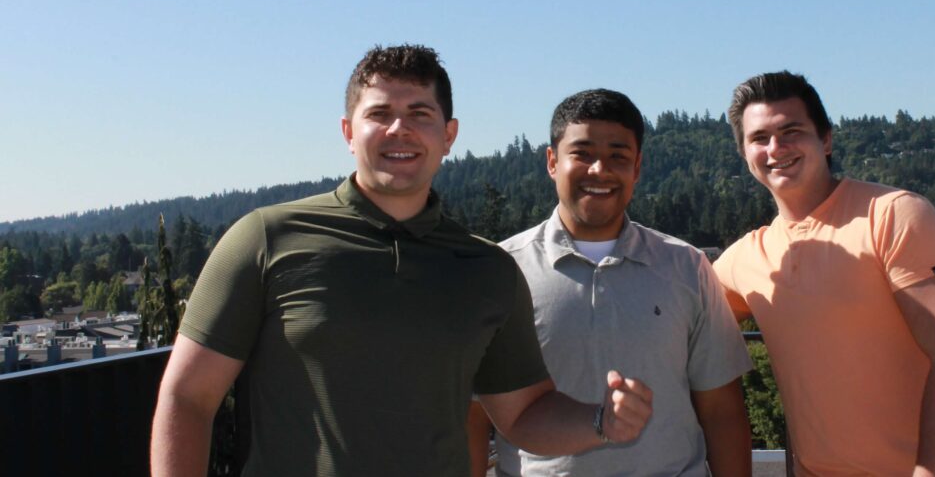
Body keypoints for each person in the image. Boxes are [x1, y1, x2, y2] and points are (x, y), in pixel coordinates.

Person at [151, 45, 653, 477]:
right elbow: (188, 398)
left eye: (419, 114)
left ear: (448, 135)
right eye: (379, 114)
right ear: (349, 131)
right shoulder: (265, 239)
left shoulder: (487, 270)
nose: (399, 129)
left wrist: (600, 423)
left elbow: (523, 413)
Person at [713, 72, 935, 476]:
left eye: (791, 131)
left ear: (826, 140)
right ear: (744, 154)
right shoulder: (744, 259)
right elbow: (677, 318)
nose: (776, 148)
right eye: (759, 138)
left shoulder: (893, 215)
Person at [470, 89, 752, 476]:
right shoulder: (499, 273)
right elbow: (471, 417)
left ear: (637, 168)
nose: (599, 170)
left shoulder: (687, 267)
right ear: (552, 162)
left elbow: (722, 410)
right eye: (582, 153)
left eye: (618, 156)